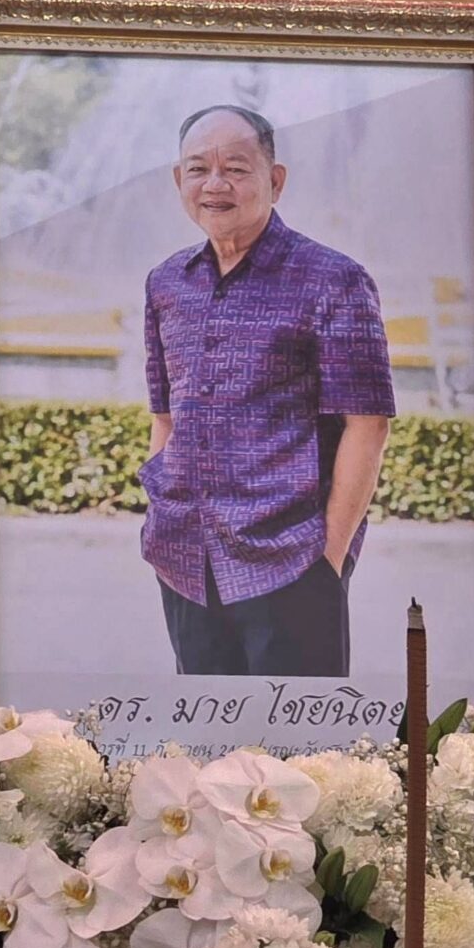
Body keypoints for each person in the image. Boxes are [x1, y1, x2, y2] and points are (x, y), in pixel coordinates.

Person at [140, 104, 396, 676]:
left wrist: (328, 558)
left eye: (236, 168)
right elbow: (165, 416)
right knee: (204, 730)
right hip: (186, 559)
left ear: (275, 181)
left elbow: (368, 424)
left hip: (292, 562)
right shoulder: (167, 283)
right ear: (178, 180)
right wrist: (162, 515)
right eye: (198, 169)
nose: (215, 184)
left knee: (297, 734)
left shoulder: (333, 279)